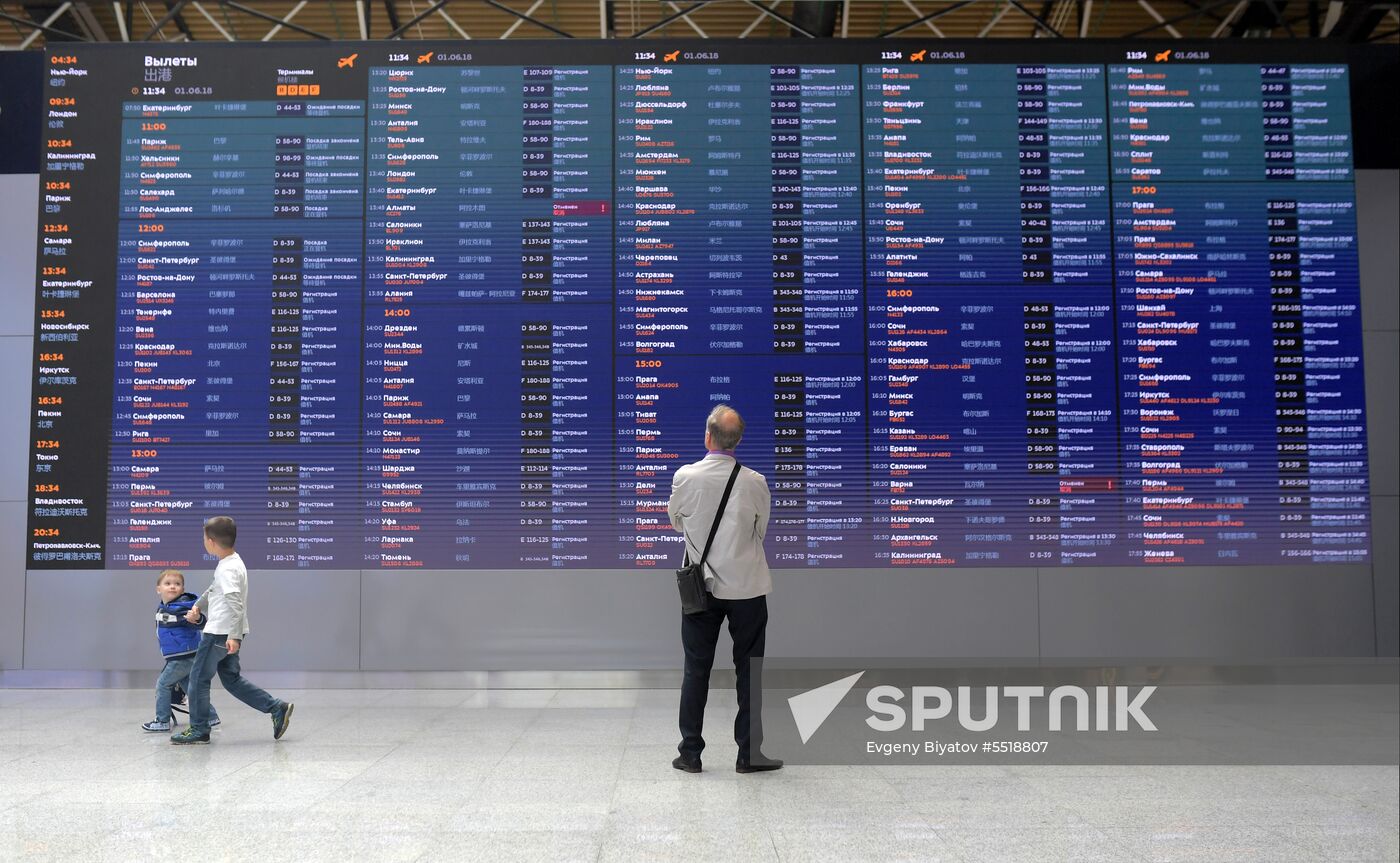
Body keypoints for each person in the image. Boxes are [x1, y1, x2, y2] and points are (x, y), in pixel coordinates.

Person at [666, 405, 782, 774]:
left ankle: (691, 753)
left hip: (702, 589)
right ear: (739, 440)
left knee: (695, 670)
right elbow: (760, 528)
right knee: (750, 671)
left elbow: (676, 523)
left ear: (707, 436)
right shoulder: (755, 481)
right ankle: (749, 754)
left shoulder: (685, 477)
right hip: (747, 588)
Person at [170, 516, 294, 745]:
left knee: (197, 678)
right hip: (227, 631)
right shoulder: (231, 562)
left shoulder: (228, 569)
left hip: (220, 632)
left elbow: (236, 603)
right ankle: (277, 708)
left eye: (204, 538)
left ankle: (198, 728)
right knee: (231, 679)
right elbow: (213, 588)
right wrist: (198, 604)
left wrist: (234, 636)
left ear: (211, 541)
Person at [143, 569, 220, 732]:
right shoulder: (164, 607)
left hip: (182, 656)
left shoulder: (181, 607)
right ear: (158, 589)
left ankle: (162, 720)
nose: (172, 587)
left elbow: (201, 622)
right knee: (190, 688)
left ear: (182, 589)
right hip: (184, 654)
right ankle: (211, 717)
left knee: (163, 684)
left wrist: (197, 618)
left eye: (177, 584)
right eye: (168, 584)